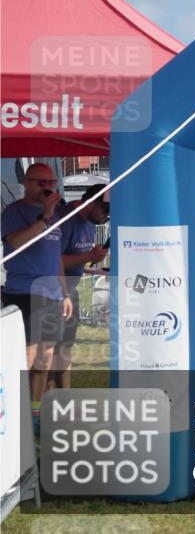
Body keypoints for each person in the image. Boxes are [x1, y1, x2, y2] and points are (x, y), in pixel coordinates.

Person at [0, 163, 71, 427]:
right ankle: (16, 414)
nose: (47, 187)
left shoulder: (57, 216)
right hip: (25, 292)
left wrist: (64, 293)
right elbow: (15, 243)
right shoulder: (14, 212)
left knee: (46, 356)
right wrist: (43, 217)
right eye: (41, 183)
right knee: (28, 355)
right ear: (27, 183)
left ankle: (34, 412)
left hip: (52, 294)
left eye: (51, 183)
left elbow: (57, 258)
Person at [54, 184, 110, 388]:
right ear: (93, 202)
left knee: (65, 349)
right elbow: (53, 260)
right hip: (54, 292)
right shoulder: (65, 219)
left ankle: (63, 398)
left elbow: (76, 262)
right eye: (106, 210)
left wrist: (96, 269)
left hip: (70, 290)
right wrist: (89, 256)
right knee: (50, 351)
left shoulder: (89, 223)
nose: (107, 217)